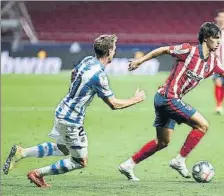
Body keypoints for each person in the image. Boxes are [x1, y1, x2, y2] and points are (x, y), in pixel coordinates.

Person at [3, 34, 146, 187]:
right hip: (71, 120)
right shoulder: (99, 76)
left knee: (63, 148)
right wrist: (135, 99)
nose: (115, 52)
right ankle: (37, 173)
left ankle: (22, 152)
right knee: (80, 161)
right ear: (109, 51)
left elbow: (73, 73)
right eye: (114, 49)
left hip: (62, 109)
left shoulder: (88, 60)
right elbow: (114, 104)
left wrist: (77, 93)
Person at [118, 22, 224, 181]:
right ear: (205, 38)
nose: (219, 42)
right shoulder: (188, 50)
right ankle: (179, 160)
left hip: (165, 99)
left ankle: (128, 164)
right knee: (203, 125)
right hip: (168, 97)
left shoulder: (214, 62)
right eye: (216, 38)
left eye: (220, 39)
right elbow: (163, 50)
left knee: (163, 142)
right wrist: (139, 61)